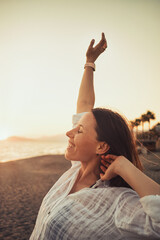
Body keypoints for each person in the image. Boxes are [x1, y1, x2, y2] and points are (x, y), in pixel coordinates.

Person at [30, 33, 160, 240]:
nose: (68, 132)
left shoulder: (120, 201)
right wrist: (89, 63)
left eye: (79, 130)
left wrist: (123, 166)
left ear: (101, 147)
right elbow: (84, 105)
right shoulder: (75, 172)